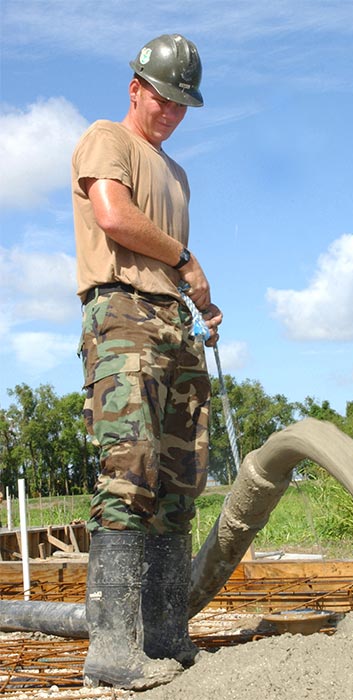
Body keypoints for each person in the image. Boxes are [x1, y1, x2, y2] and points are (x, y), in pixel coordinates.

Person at [71, 33, 222, 691]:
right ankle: (112, 647)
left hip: (173, 323)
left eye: (181, 103)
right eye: (162, 98)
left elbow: (169, 262)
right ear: (137, 88)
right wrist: (186, 261)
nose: (169, 112)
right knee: (129, 475)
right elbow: (114, 217)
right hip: (123, 316)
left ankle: (165, 636)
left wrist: (202, 307)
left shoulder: (177, 173)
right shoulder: (109, 138)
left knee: (176, 484)